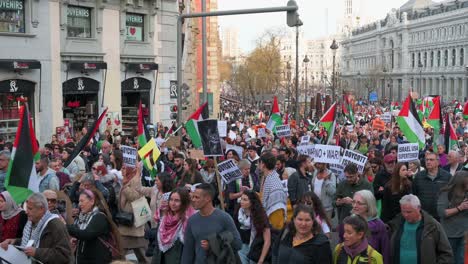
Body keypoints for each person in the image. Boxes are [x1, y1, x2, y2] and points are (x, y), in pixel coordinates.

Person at [0, 193, 72, 264]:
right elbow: (32, 241)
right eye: (26, 208)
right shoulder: (31, 222)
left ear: (41, 209)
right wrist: (15, 241)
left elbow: (65, 255)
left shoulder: (55, 224)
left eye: (30, 209)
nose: (26, 212)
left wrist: (37, 252)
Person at [181, 183, 241, 264]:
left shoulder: (224, 218)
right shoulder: (192, 220)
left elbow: (238, 244)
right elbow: (188, 251)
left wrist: (214, 244)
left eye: (197, 197)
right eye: (192, 197)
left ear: (208, 198)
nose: (193, 200)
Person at [388, 194, 453, 264]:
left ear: (418, 208)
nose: (405, 215)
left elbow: (446, 254)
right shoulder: (396, 224)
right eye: (403, 211)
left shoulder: (433, 226)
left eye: (409, 212)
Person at [67, 188, 122, 263]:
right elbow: (81, 233)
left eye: (82, 201)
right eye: (79, 201)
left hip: (97, 260)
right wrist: (77, 240)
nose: (79, 204)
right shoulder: (83, 216)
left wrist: (65, 226)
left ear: (92, 201)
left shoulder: (99, 217)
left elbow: (86, 234)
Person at [338, 190, 390, 264]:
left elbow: (385, 252)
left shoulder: (379, 225)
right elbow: (340, 245)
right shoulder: (347, 221)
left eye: (359, 203)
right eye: (353, 202)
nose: (355, 206)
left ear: (369, 205)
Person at [152, 188, 196, 264]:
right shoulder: (164, 217)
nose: (173, 203)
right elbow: (157, 245)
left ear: (184, 202)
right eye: (171, 200)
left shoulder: (188, 219)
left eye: (177, 200)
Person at [119, 165, 149, 263]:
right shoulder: (125, 180)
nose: (122, 170)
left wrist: (125, 187)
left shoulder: (136, 180)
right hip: (126, 221)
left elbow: (135, 196)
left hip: (133, 222)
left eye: (124, 168)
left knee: (141, 253)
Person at [437, 171, 468, 264]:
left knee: (460, 260)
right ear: (460, 183)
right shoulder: (446, 193)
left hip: (463, 234)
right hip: (449, 235)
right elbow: (442, 213)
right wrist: (460, 208)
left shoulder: (466, 193)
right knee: (449, 260)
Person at [412, 152, 451, 221]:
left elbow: (451, 195)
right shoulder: (419, 176)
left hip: (441, 216)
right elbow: (414, 194)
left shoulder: (447, 176)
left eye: (431, 160)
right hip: (424, 216)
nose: (428, 162)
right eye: (426, 160)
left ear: (438, 162)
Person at [237, 190, 271, 264]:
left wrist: (261, 260)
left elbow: (267, 240)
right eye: (241, 199)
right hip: (243, 248)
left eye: (245, 200)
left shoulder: (260, 216)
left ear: (252, 202)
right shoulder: (239, 213)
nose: (241, 202)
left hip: (256, 249)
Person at [259, 151, 287, 230]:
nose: (258, 165)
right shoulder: (269, 177)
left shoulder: (273, 180)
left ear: (263, 164)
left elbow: (275, 207)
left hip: (275, 221)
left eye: (260, 163)